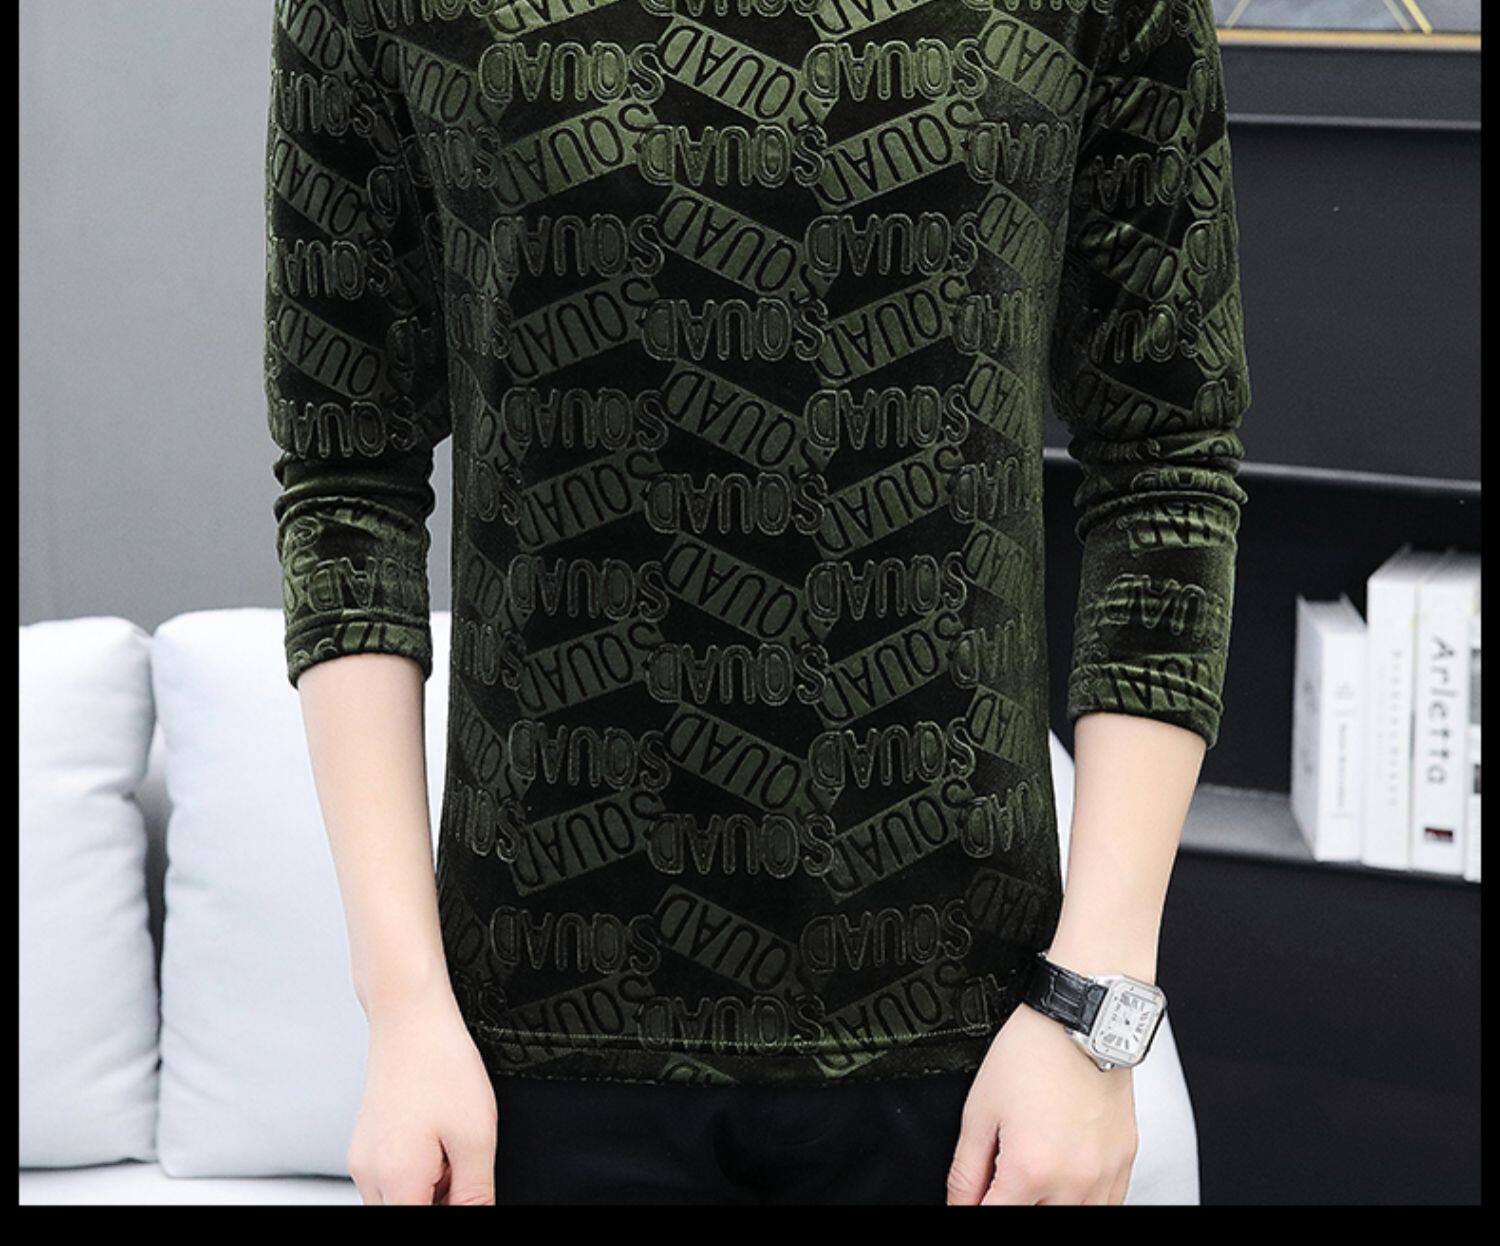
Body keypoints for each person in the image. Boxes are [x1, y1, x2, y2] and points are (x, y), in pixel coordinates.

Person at [263, 0, 1251, 1206]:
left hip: (975, 1045)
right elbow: (346, 478)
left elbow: (1164, 458)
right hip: (530, 1044)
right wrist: (403, 1006)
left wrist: (1092, 1009)